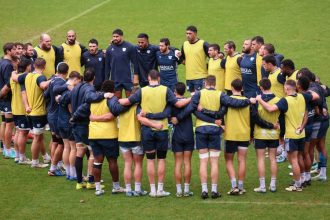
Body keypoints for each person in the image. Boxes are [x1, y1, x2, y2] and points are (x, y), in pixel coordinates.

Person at [119, 70, 191, 197]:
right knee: (161, 159)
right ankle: (160, 189)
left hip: (147, 130)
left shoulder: (142, 90)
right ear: (159, 78)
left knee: (151, 160)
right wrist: (193, 97)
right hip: (162, 129)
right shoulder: (166, 90)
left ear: (148, 77)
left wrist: (109, 97)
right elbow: (178, 104)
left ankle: (152, 190)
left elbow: (126, 102)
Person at [256, 79, 316, 192]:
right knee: (298, 157)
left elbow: (270, 109)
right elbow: (307, 113)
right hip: (301, 134)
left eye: (284, 88)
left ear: (287, 89)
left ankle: (297, 185)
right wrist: (302, 126)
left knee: (293, 160)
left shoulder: (285, 101)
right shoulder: (303, 97)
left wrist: (259, 100)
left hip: (291, 135)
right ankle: (301, 180)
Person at [69, 68, 112, 190]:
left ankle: (79, 182)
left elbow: (66, 100)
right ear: (94, 78)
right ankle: (90, 181)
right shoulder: (89, 89)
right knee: (92, 153)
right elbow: (89, 98)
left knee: (79, 151)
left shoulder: (76, 87)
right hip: (83, 124)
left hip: (76, 125)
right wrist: (104, 94)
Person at [88, 80, 127, 196]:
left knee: (97, 161)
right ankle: (116, 186)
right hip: (108, 134)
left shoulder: (93, 100)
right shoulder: (111, 99)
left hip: (94, 134)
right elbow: (110, 116)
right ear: (112, 90)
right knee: (112, 161)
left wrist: (94, 118)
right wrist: (103, 117)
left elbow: (89, 115)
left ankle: (98, 189)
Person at [18, 58, 51, 168]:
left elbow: (17, 79)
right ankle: (35, 162)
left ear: (33, 65)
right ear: (44, 66)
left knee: (39, 136)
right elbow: (43, 85)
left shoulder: (27, 76)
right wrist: (52, 80)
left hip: (30, 112)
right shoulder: (40, 77)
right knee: (37, 138)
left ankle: (45, 157)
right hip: (38, 112)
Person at [253, 78, 282, 193]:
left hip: (260, 134)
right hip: (274, 135)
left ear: (261, 87)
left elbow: (255, 118)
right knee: (273, 159)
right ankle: (273, 185)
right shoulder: (279, 100)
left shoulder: (257, 101)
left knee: (260, 159)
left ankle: (262, 186)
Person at [169, 82, 195, 197]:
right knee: (187, 162)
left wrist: (173, 119)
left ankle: (179, 190)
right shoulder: (189, 102)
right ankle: (186, 189)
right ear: (184, 91)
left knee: (178, 163)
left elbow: (168, 116)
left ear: (175, 91)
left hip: (177, 136)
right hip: (189, 134)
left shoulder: (172, 102)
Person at [56, 71, 82, 180]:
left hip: (60, 121)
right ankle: (73, 173)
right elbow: (70, 107)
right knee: (73, 148)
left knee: (66, 147)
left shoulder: (62, 89)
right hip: (68, 122)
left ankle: (68, 172)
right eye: (79, 81)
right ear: (75, 79)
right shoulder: (71, 91)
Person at [45, 62, 69, 176]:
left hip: (51, 114)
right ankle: (53, 168)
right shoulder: (60, 82)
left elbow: (46, 95)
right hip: (56, 116)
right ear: (67, 72)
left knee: (55, 141)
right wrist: (68, 85)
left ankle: (56, 164)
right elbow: (55, 90)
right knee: (61, 144)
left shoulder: (53, 79)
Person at [10, 59, 33, 164]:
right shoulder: (25, 77)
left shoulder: (13, 76)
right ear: (28, 66)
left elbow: (14, 76)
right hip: (22, 109)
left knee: (18, 132)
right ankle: (22, 158)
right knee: (23, 133)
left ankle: (17, 156)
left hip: (14, 108)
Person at [105, 28, 136, 98]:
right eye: (114, 37)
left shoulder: (129, 47)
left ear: (122, 37)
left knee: (131, 100)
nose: (115, 38)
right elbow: (107, 66)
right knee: (117, 101)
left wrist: (135, 76)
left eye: (117, 36)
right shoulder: (109, 49)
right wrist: (106, 79)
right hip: (115, 79)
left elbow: (135, 63)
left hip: (128, 79)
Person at [181, 25, 209, 93]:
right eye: (186, 33)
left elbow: (213, 55)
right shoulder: (184, 44)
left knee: (200, 98)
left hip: (200, 76)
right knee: (193, 98)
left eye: (190, 33)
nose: (188, 35)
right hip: (189, 77)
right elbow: (183, 60)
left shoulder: (203, 44)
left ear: (195, 34)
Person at [0, 42, 16, 158]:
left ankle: (4, 147)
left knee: (5, 123)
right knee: (9, 124)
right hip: (7, 98)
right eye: (14, 50)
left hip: (3, 99)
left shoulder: (1, 62)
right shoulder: (8, 65)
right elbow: (8, 84)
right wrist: (2, 95)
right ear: (8, 51)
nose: (16, 52)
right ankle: (7, 149)